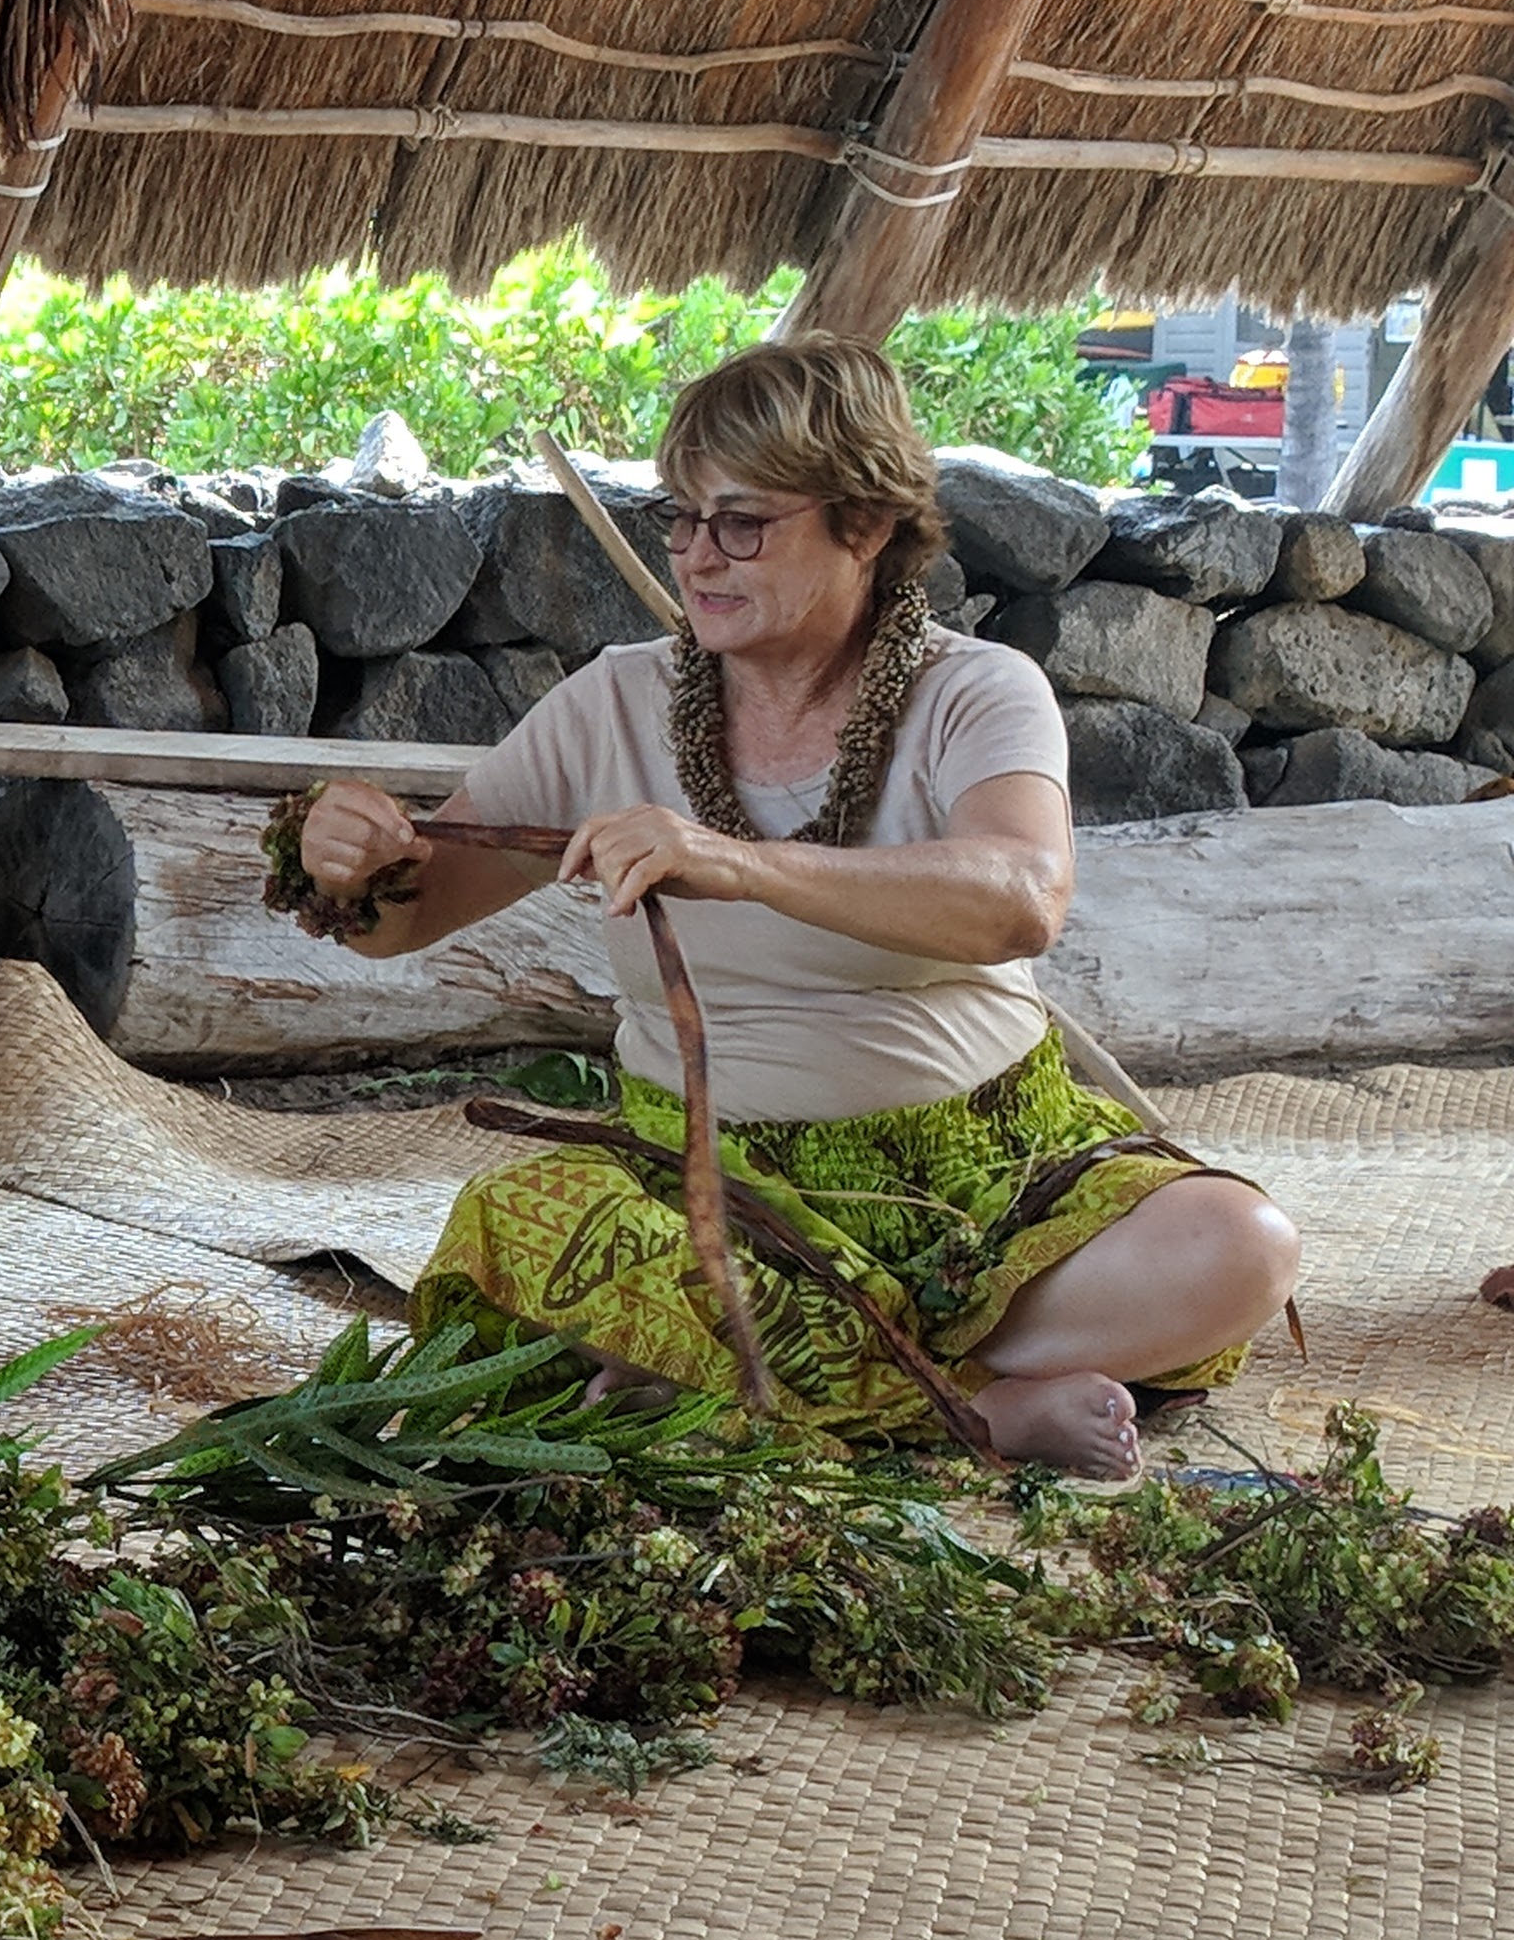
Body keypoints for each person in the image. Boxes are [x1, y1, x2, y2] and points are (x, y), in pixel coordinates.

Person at [285, 336, 1300, 1480]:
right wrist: (347, 863)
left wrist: (742, 864)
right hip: (698, 1181)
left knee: (1239, 1247)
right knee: (518, 1220)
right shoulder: (614, 701)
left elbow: (1020, 902)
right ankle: (974, 1410)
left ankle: (724, 1380)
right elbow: (406, 915)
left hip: (986, 1182)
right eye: (680, 517)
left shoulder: (972, 691)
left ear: (863, 523)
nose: (694, 556)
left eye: (741, 522)